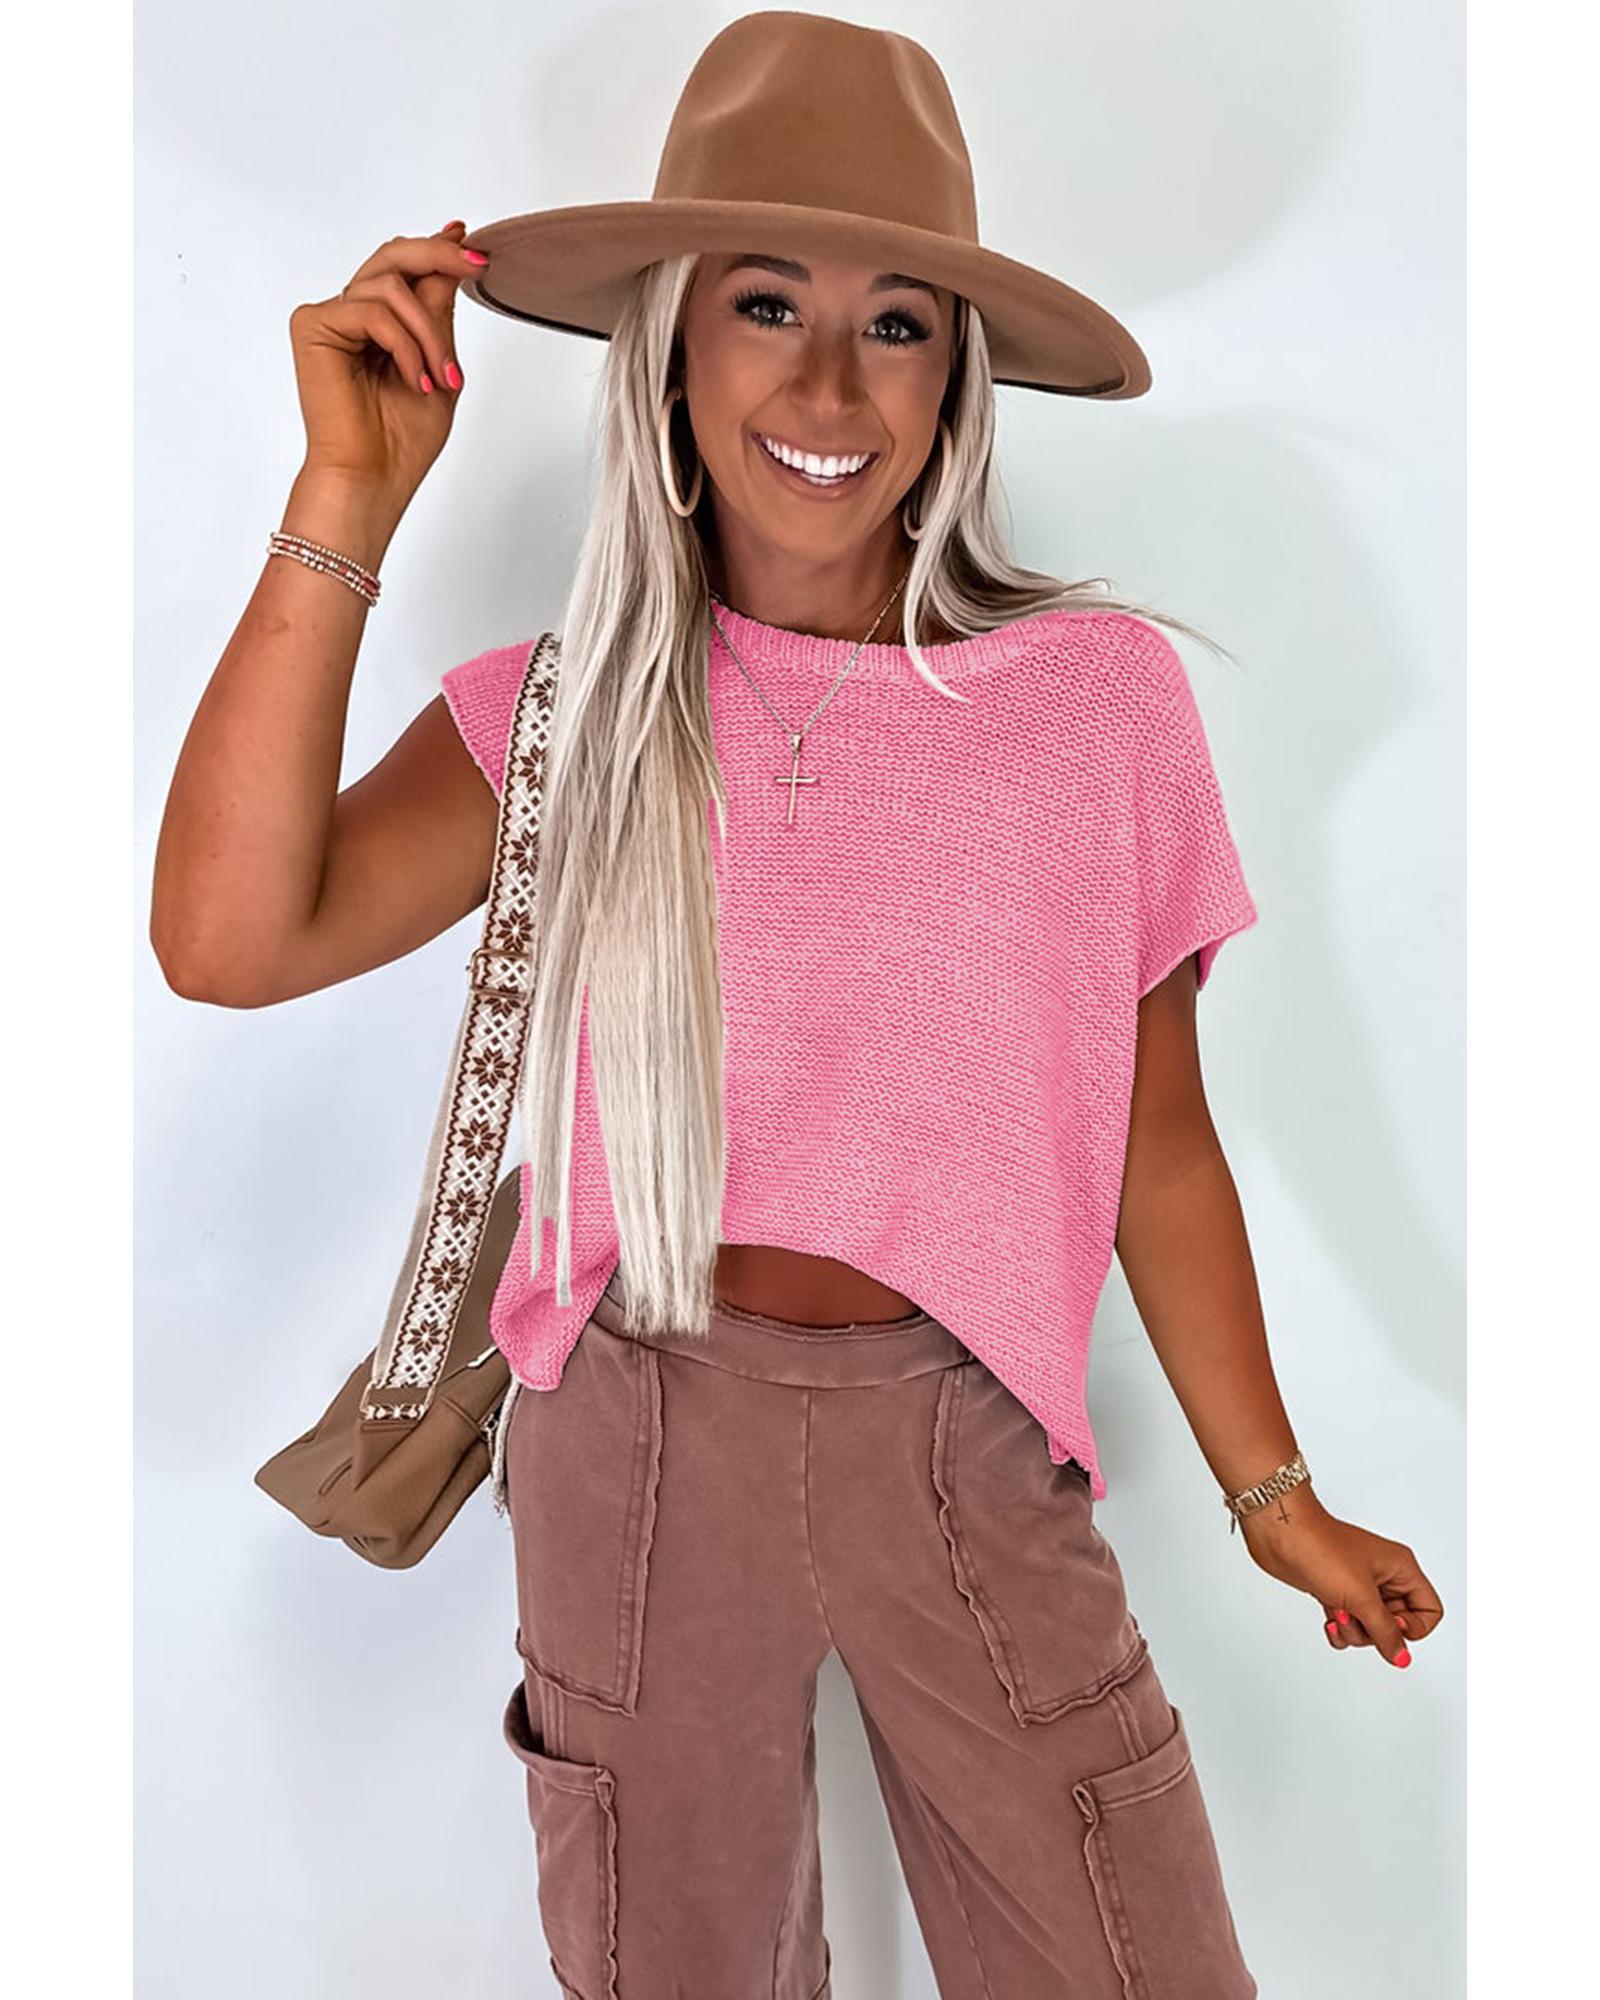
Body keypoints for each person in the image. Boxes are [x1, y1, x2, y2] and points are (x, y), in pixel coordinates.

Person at [150, 13, 1443, 1997]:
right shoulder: (566, 711)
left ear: (957, 376)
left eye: (895, 324)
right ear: (671, 345)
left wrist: (1274, 1496)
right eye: (765, 305)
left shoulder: (1092, 704)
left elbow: (1155, 1136)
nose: (830, 385)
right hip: (639, 1435)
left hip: (969, 1439)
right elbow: (228, 942)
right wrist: (348, 498)